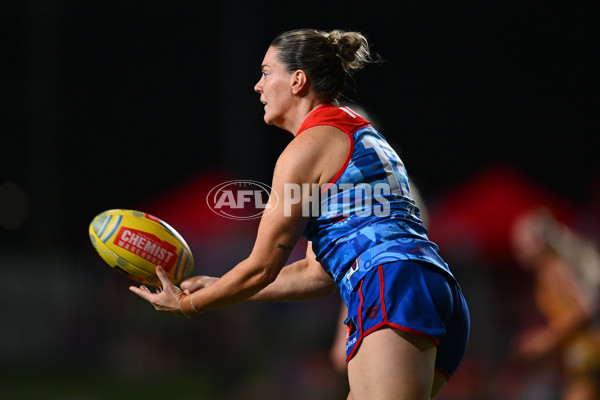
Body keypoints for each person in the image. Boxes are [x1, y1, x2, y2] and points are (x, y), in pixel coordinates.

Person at [130, 28, 470, 399]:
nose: (258, 86)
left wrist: (187, 304)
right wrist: (220, 287)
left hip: (391, 283)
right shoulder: (359, 132)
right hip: (432, 286)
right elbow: (315, 274)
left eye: (265, 72)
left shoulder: (305, 149)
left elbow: (262, 267)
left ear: (297, 80)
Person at [511, 208, 600, 400]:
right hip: (576, 354)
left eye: (524, 243)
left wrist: (546, 340)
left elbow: (586, 307)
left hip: (585, 353)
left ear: (541, 242)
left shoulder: (554, 268)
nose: (518, 250)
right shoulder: (545, 272)